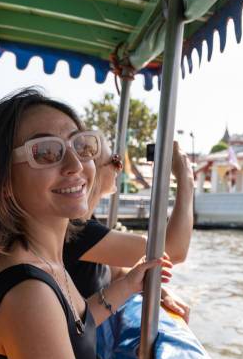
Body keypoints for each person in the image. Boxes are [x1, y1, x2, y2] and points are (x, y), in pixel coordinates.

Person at [0, 88, 172, 359]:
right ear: (2, 181)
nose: (76, 164)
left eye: (81, 146)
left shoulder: (38, 260)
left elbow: (73, 326)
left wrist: (128, 285)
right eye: (46, 152)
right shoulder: (28, 293)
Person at [64, 135, 194, 322]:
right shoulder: (77, 231)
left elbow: (115, 272)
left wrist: (160, 291)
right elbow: (171, 251)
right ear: (91, 170)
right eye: (114, 161)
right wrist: (186, 178)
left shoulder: (85, 224)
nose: (121, 167)